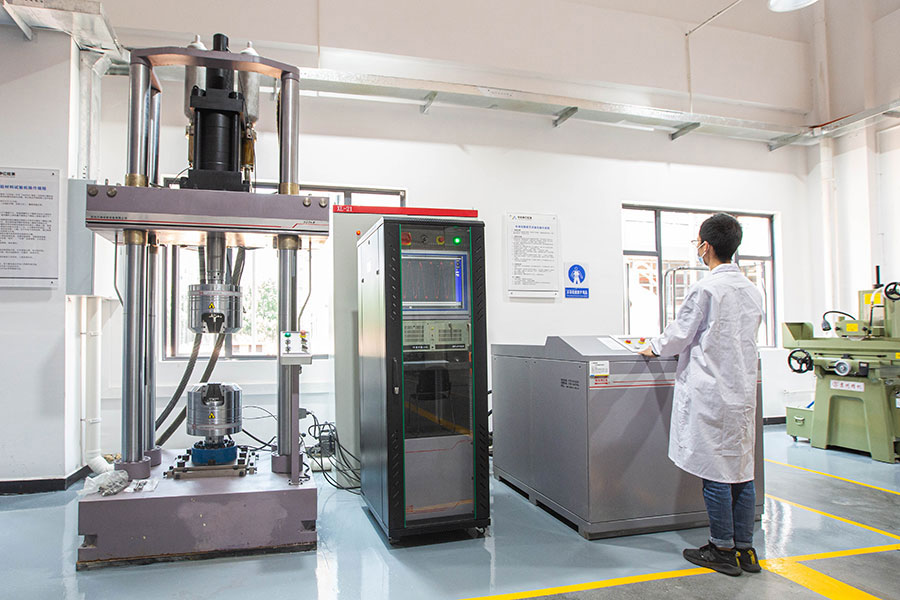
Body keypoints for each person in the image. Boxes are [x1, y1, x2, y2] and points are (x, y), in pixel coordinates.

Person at [639, 213, 763, 577]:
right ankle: (745, 550)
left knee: (715, 473)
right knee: (741, 471)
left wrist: (653, 347)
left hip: (712, 393)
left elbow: (679, 335)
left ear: (705, 246)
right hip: (741, 393)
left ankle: (721, 549)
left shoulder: (706, 289)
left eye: (698, 243)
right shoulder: (751, 290)